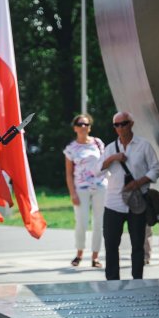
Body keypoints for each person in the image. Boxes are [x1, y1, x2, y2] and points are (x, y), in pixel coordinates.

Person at [100, 111, 159, 280]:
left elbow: (156, 168)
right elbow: (97, 170)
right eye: (116, 125)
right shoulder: (110, 148)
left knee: (137, 244)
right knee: (111, 244)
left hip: (137, 202)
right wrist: (113, 158)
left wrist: (139, 182)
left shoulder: (144, 145)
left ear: (131, 124)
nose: (120, 127)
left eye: (123, 123)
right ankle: (112, 281)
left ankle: (137, 279)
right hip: (113, 202)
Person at [63, 113, 107, 268]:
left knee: (99, 223)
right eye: (80, 124)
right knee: (81, 222)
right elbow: (68, 174)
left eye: (86, 124)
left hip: (100, 187)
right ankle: (79, 254)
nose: (83, 127)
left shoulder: (97, 143)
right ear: (75, 128)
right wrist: (72, 193)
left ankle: (95, 256)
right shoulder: (71, 149)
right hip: (81, 189)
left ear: (90, 127)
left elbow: (105, 163)